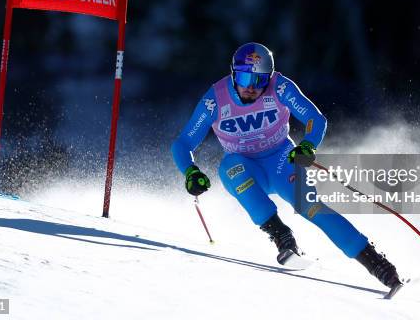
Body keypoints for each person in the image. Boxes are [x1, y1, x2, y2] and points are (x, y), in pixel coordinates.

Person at [171, 42, 402, 292]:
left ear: (268, 79)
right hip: (246, 167)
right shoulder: (214, 100)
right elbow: (183, 143)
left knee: (311, 207)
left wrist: (307, 146)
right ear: (233, 73)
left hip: (281, 160)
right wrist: (191, 171)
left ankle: (377, 264)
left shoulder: (280, 87)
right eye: (245, 77)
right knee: (230, 167)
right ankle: (282, 236)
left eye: (259, 81)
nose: (250, 87)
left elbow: (315, 119)